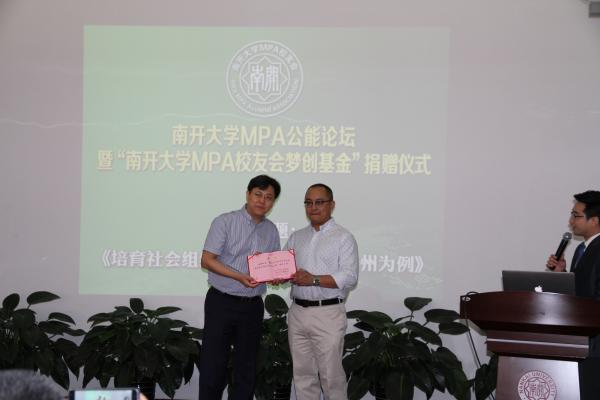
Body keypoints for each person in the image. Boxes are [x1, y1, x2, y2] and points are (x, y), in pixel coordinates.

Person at [198, 175, 282, 400]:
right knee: (213, 364)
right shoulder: (225, 222)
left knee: (247, 367)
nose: (262, 201)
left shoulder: (271, 230)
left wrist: (275, 277)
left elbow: (271, 267)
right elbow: (207, 260)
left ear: (273, 202)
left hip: (252, 306)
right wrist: (239, 276)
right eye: (258, 194)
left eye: (268, 197)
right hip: (222, 302)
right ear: (247, 194)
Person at [285, 183, 359, 400]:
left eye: (319, 202)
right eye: (308, 203)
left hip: (328, 313)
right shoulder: (296, 237)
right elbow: (284, 267)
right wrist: (273, 271)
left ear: (331, 205)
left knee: (331, 378)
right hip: (298, 312)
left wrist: (313, 279)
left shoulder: (343, 237)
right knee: (302, 376)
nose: (313, 207)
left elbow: (349, 277)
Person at [545, 190, 600, 400]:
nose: (570, 221)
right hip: (582, 342)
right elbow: (582, 290)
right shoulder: (581, 250)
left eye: (576, 216)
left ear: (594, 220)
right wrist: (563, 274)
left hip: (595, 345)